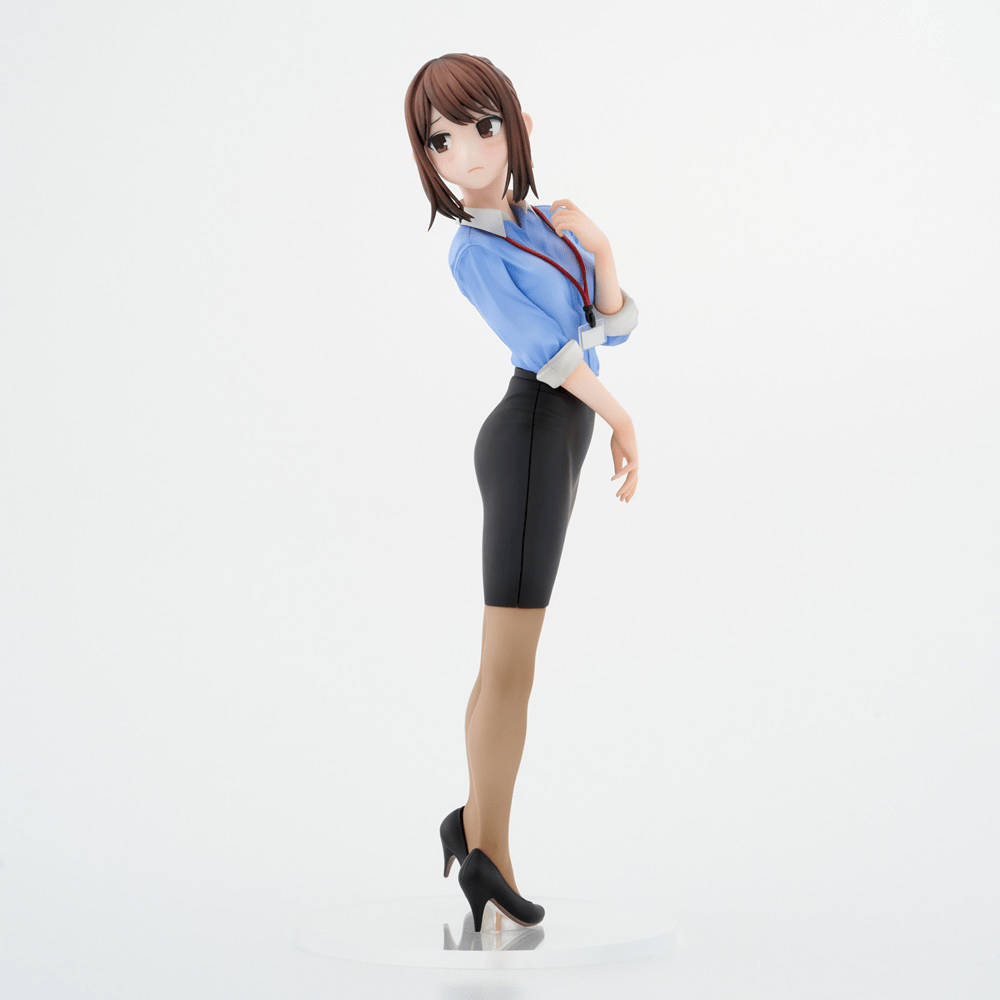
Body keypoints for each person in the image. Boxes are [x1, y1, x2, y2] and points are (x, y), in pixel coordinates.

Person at [404, 53, 639, 933]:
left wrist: (601, 248)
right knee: (511, 667)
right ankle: (490, 859)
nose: (465, 153)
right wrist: (620, 417)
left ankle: (471, 826)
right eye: (441, 140)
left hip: (558, 433)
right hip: (533, 437)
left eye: (482, 126)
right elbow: (549, 352)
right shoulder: (472, 252)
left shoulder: (545, 225)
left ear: (517, 127)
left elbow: (611, 324)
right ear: (426, 157)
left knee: (504, 663)